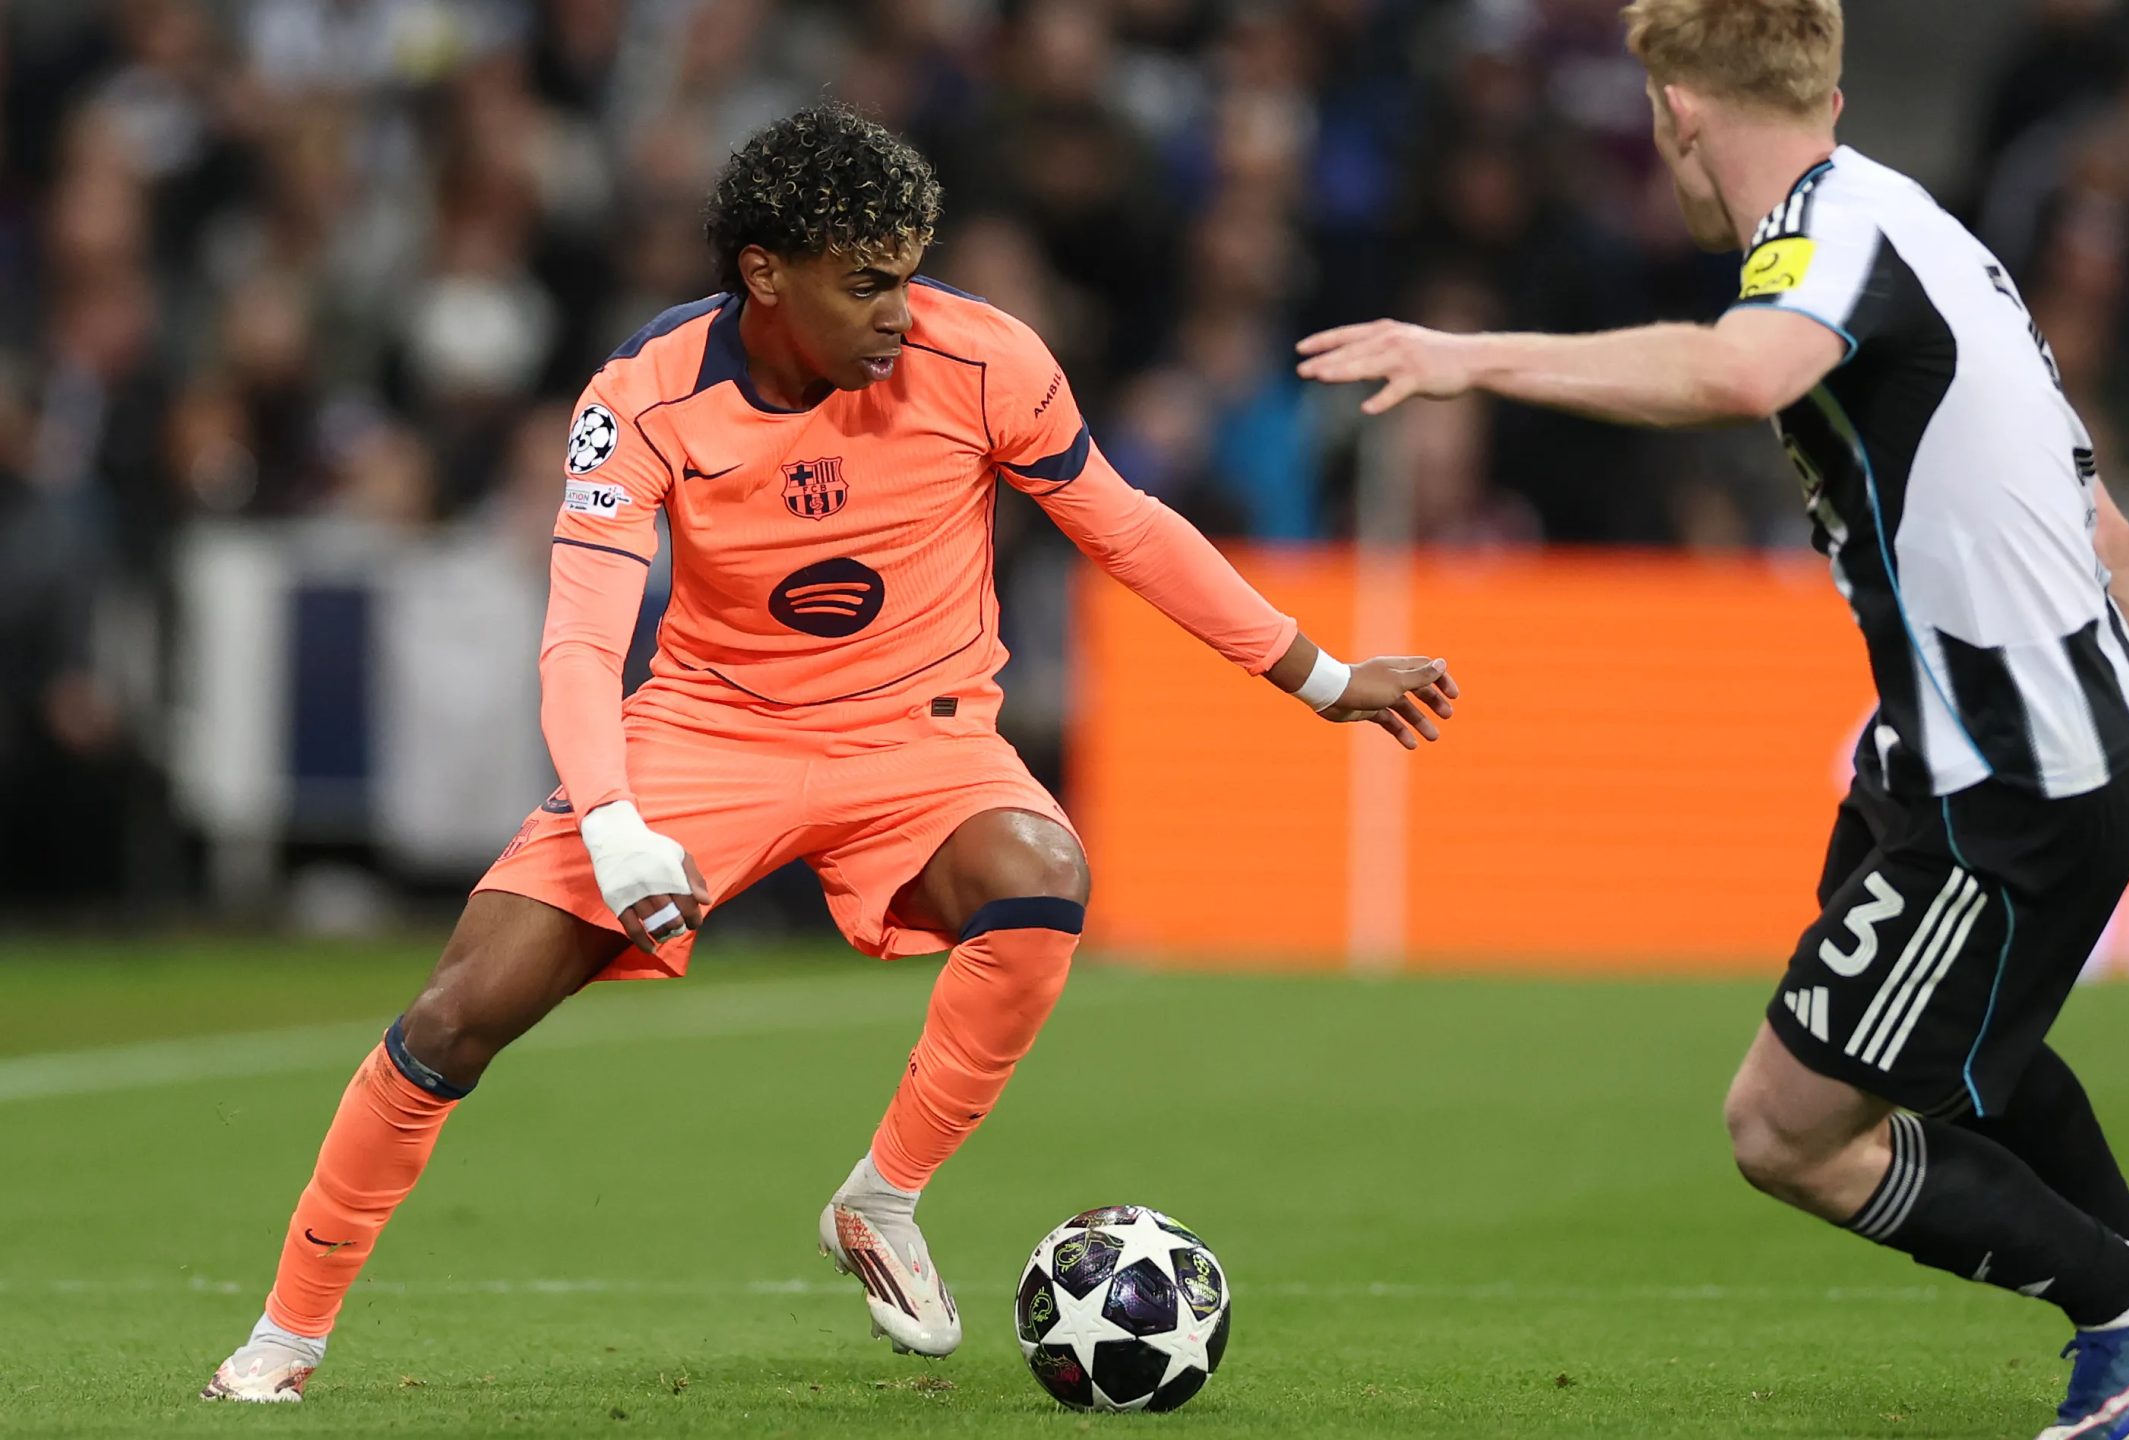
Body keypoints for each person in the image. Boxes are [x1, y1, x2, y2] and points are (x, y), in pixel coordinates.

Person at [203, 103, 1460, 1403]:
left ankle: (883, 1197)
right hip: (710, 730)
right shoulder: (642, 397)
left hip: (921, 733)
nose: (900, 313)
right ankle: (284, 1340)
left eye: (909, 276)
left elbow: (1125, 527)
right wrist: (614, 818)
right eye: (866, 284)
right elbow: (580, 638)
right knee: (459, 1013)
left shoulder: (986, 359)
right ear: (766, 273)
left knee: (1042, 876)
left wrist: (1317, 676)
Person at [1296, 3, 2129, 1437]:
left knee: (1784, 1127)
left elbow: (1742, 372)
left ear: (1676, 110)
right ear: (1831, 91)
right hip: (1989, 743)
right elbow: (2102, 522)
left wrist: (1472, 356)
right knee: (1943, 1057)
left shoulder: (1830, 238)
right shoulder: (1927, 231)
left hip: (2007, 770)